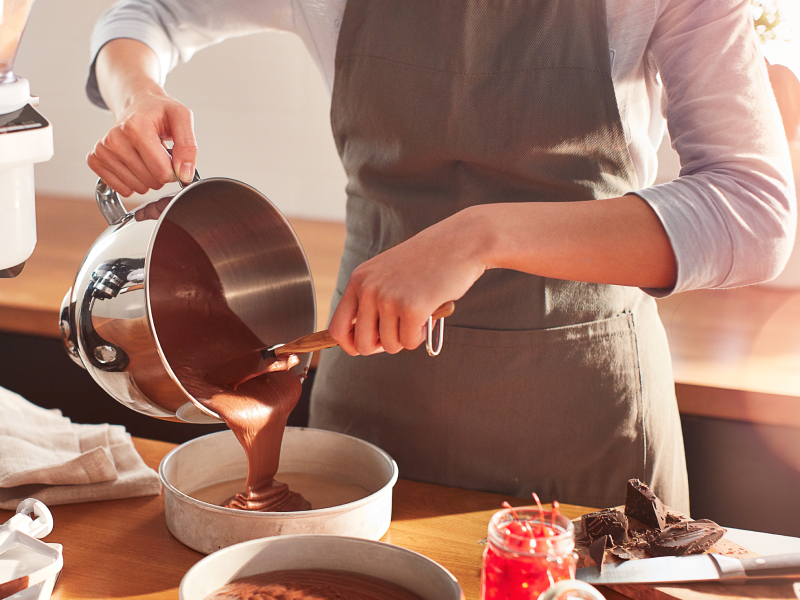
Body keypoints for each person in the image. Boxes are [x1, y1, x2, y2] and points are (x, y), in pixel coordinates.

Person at [85, 0, 796, 514]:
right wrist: (136, 96)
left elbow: (755, 211)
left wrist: (479, 236)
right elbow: (146, 16)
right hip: (375, 401)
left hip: (587, 425)